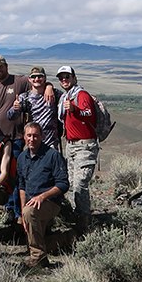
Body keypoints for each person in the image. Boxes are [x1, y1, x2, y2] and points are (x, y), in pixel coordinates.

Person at [16, 122, 68, 269]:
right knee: (36, 233)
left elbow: (63, 184)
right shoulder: (22, 158)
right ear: (24, 137)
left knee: (30, 213)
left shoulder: (52, 155)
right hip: (31, 205)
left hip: (50, 203)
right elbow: (21, 186)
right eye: (29, 135)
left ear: (42, 137)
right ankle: (69, 239)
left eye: (35, 135)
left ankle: (38, 258)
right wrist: (22, 212)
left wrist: (42, 197)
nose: (32, 139)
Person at [57, 65, 99, 236]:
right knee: (72, 184)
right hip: (71, 145)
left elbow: (89, 114)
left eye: (67, 76)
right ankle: (77, 217)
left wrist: (75, 109)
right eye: (61, 77)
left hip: (85, 145)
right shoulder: (65, 97)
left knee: (80, 183)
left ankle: (83, 222)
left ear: (75, 78)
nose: (64, 80)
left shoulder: (81, 95)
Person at [18, 66, 62, 148]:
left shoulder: (55, 94)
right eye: (33, 76)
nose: (37, 79)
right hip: (33, 144)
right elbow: (11, 116)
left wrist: (90, 97)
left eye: (40, 76)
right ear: (29, 79)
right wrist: (15, 108)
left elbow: (69, 98)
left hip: (51, 145)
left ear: (45, 77)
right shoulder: (24, 97)